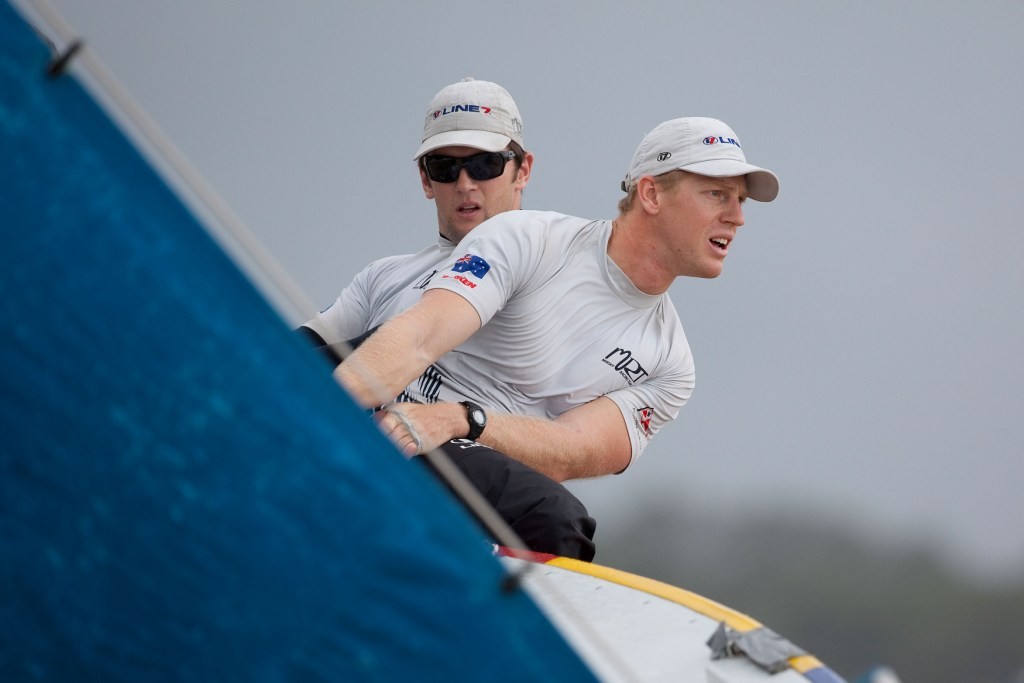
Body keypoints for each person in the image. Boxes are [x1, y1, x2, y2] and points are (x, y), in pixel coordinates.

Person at [335, 116, 779, 486]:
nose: (737, 217)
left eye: (739, 200)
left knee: (561, 522)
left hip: (462, 447)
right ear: (651, 194)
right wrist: (310, 412)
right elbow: (419, 338)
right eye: (717, 194)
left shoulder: (673, 366)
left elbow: (571, 452)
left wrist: (459, 419)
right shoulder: (528, 237)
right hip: (383, 413)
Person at [299, 78, 597, 560]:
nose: (465, 184)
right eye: (444, 167)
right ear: (424, 179)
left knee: (557, 516)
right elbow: (295, 355)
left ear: (523, 170)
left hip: (483, 482)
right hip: (373, 461)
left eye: (485, 164)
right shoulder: (383, 277)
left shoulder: (552, 269)